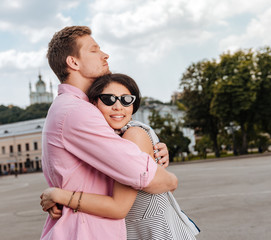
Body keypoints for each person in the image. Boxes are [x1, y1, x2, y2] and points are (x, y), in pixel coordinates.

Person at [40, 26, 178, 240]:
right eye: (94, 50)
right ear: (73, 62)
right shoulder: (78, 112)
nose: (105, 55)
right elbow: (159, 181)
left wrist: (150, 149)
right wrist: (153, 166)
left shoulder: (70, 108)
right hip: (86, 232)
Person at [41, 73, 200, 239]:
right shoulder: (107, 141)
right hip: (133, 230)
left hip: (157, 232)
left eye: (126, 100)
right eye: (109, 99)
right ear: (93, 103)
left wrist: (58, 195)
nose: (118, 106)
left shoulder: (134, 134)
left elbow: (118, 207)